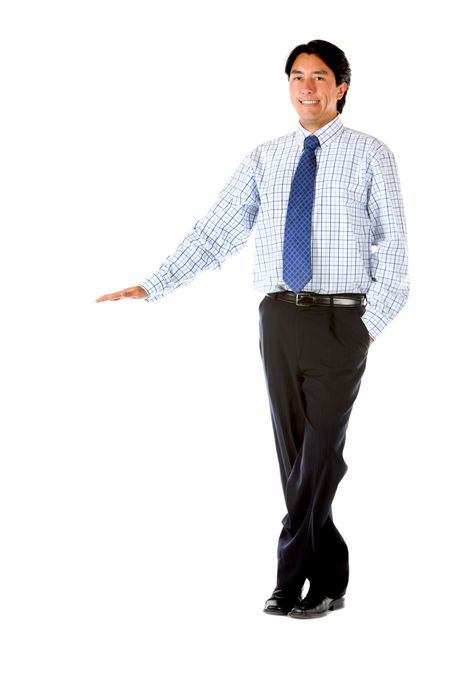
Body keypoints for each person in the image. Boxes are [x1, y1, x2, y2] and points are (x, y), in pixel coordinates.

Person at [96, 39, 409, 619]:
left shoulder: (371, 154)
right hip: (278, 316)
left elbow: (394, 245)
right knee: (295, 453)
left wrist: (369, 326)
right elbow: (215, 231)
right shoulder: (265, 158)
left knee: (320, 453)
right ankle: (332, 577)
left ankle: (290, 578)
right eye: (296, 76)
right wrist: (154, 284)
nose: (306, 87)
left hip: (342, 318)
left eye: (319, 77)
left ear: (341, 86)